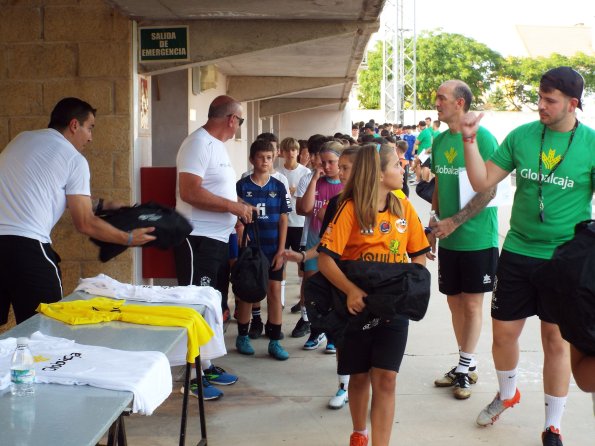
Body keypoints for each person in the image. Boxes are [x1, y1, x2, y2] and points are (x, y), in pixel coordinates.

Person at [460, 66, 594, 445]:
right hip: (518, 249)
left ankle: (553, 425)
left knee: (556, 340)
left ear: (572, 104)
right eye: (539, 98)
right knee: (503, 333)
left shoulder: (591, 144)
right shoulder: (522, 136)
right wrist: (469, 141)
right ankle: (508, 394)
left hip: (564, 259)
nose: (541, 106)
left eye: (549, 101)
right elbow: (482, 181)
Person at [0, 97, 156, 326]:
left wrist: (104, 205)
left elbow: (41, 190)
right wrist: (129, 238)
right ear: (74, 125)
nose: (90, 137)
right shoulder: (75, 160)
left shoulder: (21, 139)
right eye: (90, 128)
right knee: (46, 328)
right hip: (27, 249)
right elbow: (85, 223)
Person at [317, 144, 430, 446]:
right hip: (356, 307)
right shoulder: (350, 208)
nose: (403, 167)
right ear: (379, 174)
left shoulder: (404, 206)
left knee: (387, 378)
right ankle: (359, 433)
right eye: (396, 164)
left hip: (393, 307)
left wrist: (406, 286)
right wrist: (351, 290)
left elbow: (419, 253)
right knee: (360, 376)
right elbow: (325, 259)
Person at [174, 95, 251, 400]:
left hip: (219, 238)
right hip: (197, 238)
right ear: (231, 119)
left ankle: (204, 364)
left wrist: (238, 211)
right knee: (196, 307)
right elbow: (189, 191)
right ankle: (191, 375)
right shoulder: (197, 144)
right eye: (240, 120)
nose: (239, 126)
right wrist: (233, 207)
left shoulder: (218, 146)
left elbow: (219, 191)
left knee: (214, 308)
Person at [429, 80, 499, 400]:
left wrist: (455, 222)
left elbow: (490, 189)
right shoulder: (441, 141)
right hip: (449, 239)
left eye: (442, 98)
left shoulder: (482, 138)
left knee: (472, 305)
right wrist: (433, 227)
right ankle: (463, 364)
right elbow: (440, 189)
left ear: (460, 103)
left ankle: (464, 369)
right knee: (454, 303)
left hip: (478, 238)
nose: (437, 102)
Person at [235, 139, 291, 360]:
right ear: (252, 160)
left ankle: (275, 340)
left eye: (269, 157)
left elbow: (284, 220)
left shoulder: (278, 186)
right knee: (248, 292)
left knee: (274, 292)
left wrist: (281, 250)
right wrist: (240, 229)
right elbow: (235, 216)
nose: (265, 161)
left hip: (273, 249)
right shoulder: (242, 186)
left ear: (274, 158)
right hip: (251, 251)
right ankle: (243, 336)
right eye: (260, 157)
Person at [297, 140, 344, 351]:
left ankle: (333, 333)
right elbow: (304, 209)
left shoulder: (346, 184)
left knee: (335, 289)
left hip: (339, 246)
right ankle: (316, 330)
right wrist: (315, 178)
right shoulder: (314, 180)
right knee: (313, 288)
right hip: (315, 242)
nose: (326, 167)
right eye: (323, 162)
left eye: (331, 162)